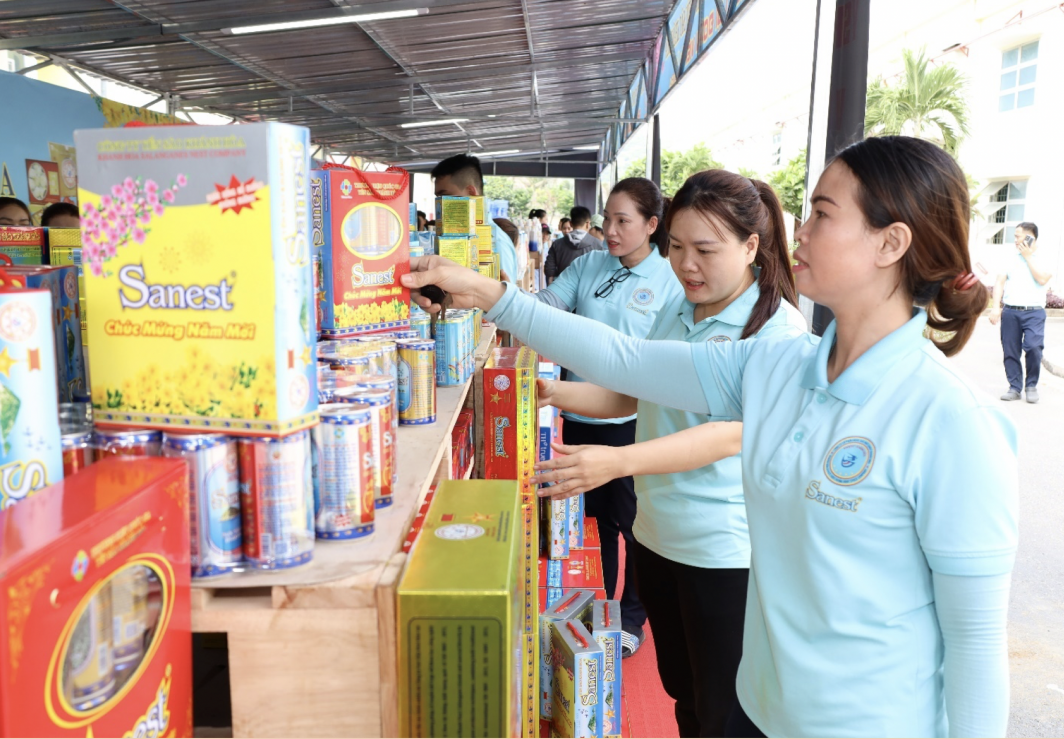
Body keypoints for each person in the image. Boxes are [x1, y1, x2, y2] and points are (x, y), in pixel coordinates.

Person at [405, 136, 1018, 738]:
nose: (798, 231)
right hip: (762, 708)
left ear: (891, 243)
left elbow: (976, 647)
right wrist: (491, 294)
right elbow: (626, 361)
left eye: (823, 215)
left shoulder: (952, 421)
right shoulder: (778, 368)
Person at [533, 170, 805, 737]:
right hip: (658, 538)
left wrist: (618, 462)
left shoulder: (776, 329)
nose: (686, 265)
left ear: (751, 245)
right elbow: (630, 390)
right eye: (676, 248)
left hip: (726, 553)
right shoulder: (677, 309)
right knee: (684, 695)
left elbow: (732, 433)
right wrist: (553, 392)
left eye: (705, 250)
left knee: (728, 714)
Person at [527, 177, 684, 658]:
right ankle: (598, 611)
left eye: (623, 221)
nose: (610, 231)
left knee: (632, 526)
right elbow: (547, 307)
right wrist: (499, 303)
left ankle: (633, 617)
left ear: (652, 225)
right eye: (607, 219)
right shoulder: (590, 263)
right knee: (589, 529)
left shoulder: (671, 279)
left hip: (632, 426)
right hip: (576, 417)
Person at [988, 222, 1054, 403]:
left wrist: (1028, 257)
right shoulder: (1009, 258)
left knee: (1034, 348)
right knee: (1010, 350)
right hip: (1011, 311)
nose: (1015, 240)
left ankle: (1031, 385)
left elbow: (1041, 279)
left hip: (1034, 312)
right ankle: (1014, 387)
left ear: (1030, 237)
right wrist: (996, 307)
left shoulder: (1045, 257)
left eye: (1018, 236)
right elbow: (1000, 282)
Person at [431, 155, 517, 280]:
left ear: (471, 193)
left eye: (445, 196)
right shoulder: (452, 239)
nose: (439, 205)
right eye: (437, 198)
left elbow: (508, 296)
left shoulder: (496, 242)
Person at [545, 205, 605, 284]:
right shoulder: (598, 245)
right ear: (588, 224)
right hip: (588, 292)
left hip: (563, 290)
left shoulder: (557, 244)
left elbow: (549, 270)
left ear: (571, 223)